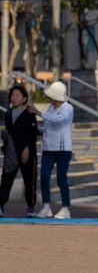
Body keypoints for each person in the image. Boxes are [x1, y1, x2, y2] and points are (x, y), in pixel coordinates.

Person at [28, 81, 74, 219]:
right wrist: (41, 131)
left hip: (63, 149)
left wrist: (38, 113)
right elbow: (49, 125)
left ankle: (65, 209)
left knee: (61, 178)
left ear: (56, 96)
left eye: (51, 95)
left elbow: (59, 119)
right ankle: (46, 208)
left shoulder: (68, 108)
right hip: (48, 148)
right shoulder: (50, 108)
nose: (48, 97)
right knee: (44, 177)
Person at [0, 85, 38, 218]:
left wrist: (27, 149)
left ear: (24, 98)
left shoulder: (30, 112)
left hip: (28, 154)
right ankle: (1, 205)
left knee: (29, 181)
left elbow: (33, 134)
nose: (14, 98)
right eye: (12, 95)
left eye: (17, 95)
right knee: (6, 180)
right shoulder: (8, 113)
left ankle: (31, 208)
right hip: (12, 154)